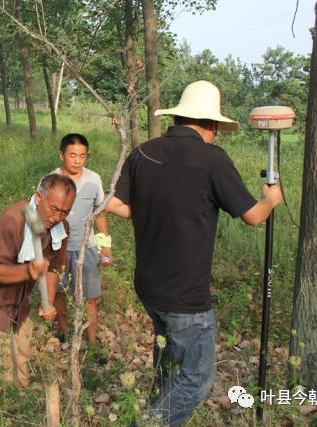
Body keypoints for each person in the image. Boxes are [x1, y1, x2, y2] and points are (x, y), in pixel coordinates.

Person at [106, 80, 283, 427]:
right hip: (185, 296)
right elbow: (253, 217)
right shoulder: (212, 159)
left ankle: (155, 411)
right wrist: (270, 200)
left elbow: (116, 204)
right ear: (211, 125)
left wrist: (154, 208)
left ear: (176, 119)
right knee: (196, 378)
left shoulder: (142, 152)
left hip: (149, 287)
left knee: (169, 363)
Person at [0, 174, 76, 387]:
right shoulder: (13, 220)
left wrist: (47, 304)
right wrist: (29, 271)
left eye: (65, 212)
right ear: (38, 197)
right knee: (4, 373)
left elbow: (53, 268)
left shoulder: (61, 229)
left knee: (22, 362)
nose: (58, 217)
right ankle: (3, 414)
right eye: (54, 209)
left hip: (21, 304)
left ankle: (19, 407)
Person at [47, 133, 111, 349]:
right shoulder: (51, 180)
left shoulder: (93, 180)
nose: (77, 160)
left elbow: (100, 214)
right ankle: (65, 332)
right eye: (72, 155)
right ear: (61, 155)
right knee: (58, 292)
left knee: (90, 297)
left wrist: (105, 246)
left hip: (87, 247)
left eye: (82, 156)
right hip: (58, 249)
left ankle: (92, 343)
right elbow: (40, 213)